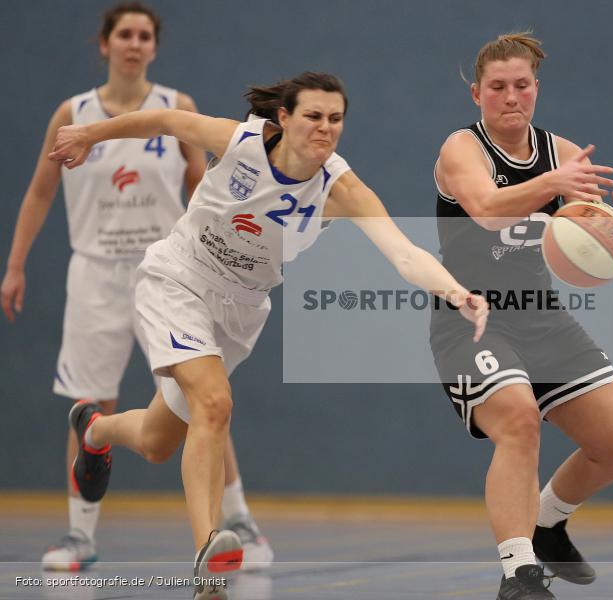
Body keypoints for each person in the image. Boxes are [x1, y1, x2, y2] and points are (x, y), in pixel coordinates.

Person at [49, 72, 488, 599]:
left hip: (240, 310)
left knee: (159, 441)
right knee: (213, 403)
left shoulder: (340, 188)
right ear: (284, 117)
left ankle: (94, 431)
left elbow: (404, 252)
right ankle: (207, 559)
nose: (325, 128)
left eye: (335, 119)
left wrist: (456, 291)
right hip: (179, 279)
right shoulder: (240, 142)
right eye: (313, 116)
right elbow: (164, 120)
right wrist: (90, 134)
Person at [0, 2, 273, 573]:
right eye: (123, 33)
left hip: (170, 271)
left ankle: (239, 519)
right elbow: (40, 191)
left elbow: (206, 185)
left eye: (144, 35)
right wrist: (17, 264)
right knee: (91, 398)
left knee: (204, 395)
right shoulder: (72, 113)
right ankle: (79, 535)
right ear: (104, 43)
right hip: (96, 270)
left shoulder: (177, 107)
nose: (133, 43)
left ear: (154, 46)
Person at [430, 32, 613, 599]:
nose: (510, 97)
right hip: (472, 316)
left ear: (536, 90)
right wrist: (553, 184)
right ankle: (518, 572)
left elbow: (597, 221)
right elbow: (487, 207)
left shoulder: (562, 152)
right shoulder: (462, 149)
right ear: (477, 93)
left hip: (541, 316)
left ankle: (547, 523)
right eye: (497, 87)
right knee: (519, 418)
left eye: (521, 85)